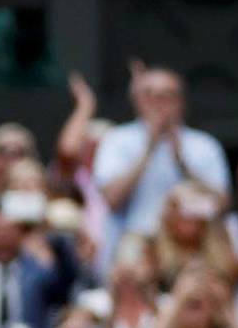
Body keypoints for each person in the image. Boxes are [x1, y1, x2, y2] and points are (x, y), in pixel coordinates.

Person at [93, 68, 228, 248]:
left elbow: (221, 205)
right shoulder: (117, 139)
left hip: (190, 247)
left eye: (167, 96)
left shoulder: (205, 145)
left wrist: (182, 163)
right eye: (151, 96)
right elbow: (112, 200)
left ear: (181, 101)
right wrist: (149, 149)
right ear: (139, 101)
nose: (159, 104)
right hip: (134, 245)